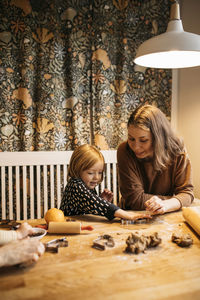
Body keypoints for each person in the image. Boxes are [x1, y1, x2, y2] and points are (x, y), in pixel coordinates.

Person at [117, 104, 194, 215]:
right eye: (131, 138)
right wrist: (173, 200)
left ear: (159, 138)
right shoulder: (124, 150)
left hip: (167, 215)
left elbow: (186, 194)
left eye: (143, 140)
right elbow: (135, 200)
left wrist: (165, 205)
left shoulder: (177, 150)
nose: (136, 146)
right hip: (131, 215)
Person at [60, 144, 151, 221]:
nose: (96, 177)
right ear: (77, 169)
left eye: (100, 172)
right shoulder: (75, 185)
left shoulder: (86, 185)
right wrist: (125, 214)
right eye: (90, 173)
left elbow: (88, 206)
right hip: (68, 229)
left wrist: (101, 199)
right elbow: (93, 202)